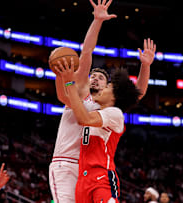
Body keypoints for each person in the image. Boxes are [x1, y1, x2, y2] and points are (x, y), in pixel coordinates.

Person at [48, 0, 156, 202]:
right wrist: (97, 21)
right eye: (93, 75)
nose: (95, 78)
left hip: (87, 169)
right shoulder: (80, 94)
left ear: (109, 89)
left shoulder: (108, 108)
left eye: (102, 78)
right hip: (65, 162)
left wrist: (145, 66)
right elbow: (87, 52)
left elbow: (137, 93)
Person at [55, 57, 142, 202]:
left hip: (101, 177)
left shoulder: (115, 113)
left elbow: (83, 118)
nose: (103, 89)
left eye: (107, 87)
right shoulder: (94, 110)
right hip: (83, 179)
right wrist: (62, 77)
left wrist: (70, 83)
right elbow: (67, 100)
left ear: (115, 96)